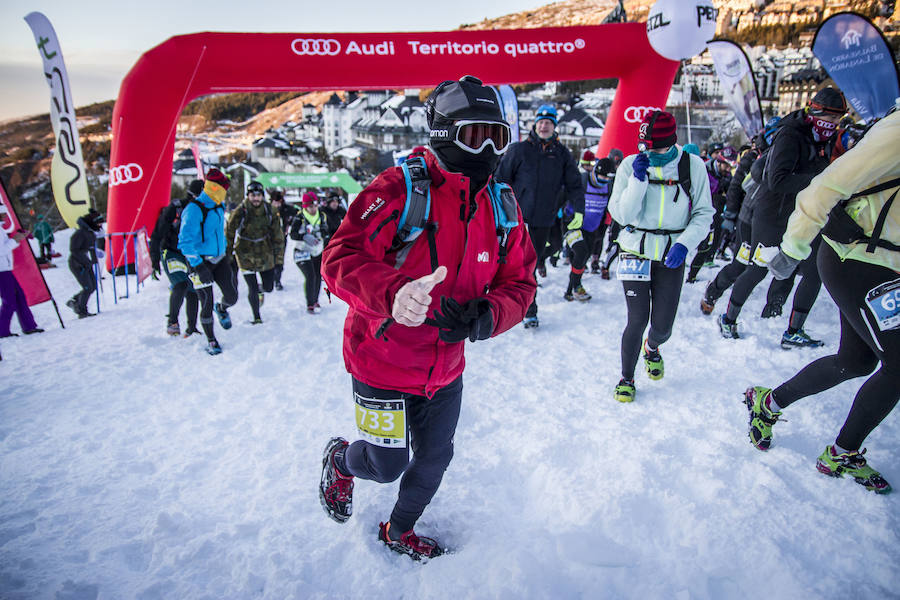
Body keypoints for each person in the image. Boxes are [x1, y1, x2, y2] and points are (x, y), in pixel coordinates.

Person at [318, 75, 536, 560]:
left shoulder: (501, 206)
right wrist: (393, 294)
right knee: (386, 464)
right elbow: (338, 258)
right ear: (443, 133)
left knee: (435, 457)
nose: (487, 151)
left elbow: (521, 284)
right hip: (381, 360)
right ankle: (342, 461)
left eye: (497, 138)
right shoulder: (399, 190)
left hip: (444, 368)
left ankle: (398, 530)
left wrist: (488, 315)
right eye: (474, 136)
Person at [743, 108, 898, 494]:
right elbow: (822, 188)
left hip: (886, 263)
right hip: (857, 259)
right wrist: (792, 249)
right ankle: (842, 452)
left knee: (855, 361)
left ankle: (768, 403)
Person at [717, 88, 847, 346]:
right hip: (772, 214)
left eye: (838, 120)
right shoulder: (790, 134)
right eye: (831, 119)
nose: (834, 125)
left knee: (814, 271)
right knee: (758, 270)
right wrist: (821, 180)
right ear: (816, 112)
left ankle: (794, 330)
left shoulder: (826, 137)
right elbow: (776, 181)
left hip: (805, 214)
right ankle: (728, 318)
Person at [607, 110, 714, 402]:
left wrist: (685, 244)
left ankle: (652, 348)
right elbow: (621, 215)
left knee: (663, 326)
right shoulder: (630, 165)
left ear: (671, 143)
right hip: (635, 251)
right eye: (645, 147)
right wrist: (638, 181)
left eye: (655, 148)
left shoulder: (692, 166)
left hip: (671, 254)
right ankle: (626, 378)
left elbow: (704, 212)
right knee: (637, 319)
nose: (649, 153)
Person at [496, 103, 582, 328]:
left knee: (547, 251)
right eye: (541, 122)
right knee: (527, 266)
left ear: (554, 126)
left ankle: (540, 263)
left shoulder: (561, 154)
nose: (544, 126)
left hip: (546, 218)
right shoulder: (519, 150)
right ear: (535, 125)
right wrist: (500, 209)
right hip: (519, 219)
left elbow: (574, 183)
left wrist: (579, 210)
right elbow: (500, 179)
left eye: (548, 123)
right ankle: (530, 310)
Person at [178, 168, 239, 355]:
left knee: (232, 296)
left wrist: (226, 250)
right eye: (223, 189)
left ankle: (221, 308)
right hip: (200, 262)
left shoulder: (219, 205)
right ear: (214, 188)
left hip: (219, 258)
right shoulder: (194, 209)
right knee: (206, 301)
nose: (225, 192)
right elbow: (184, 242)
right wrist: (197, 265)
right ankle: (211, 340)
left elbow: (218, 231)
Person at [225, 180, 284, 324]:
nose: (256, 198)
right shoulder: (240, 211)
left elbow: (278, 236)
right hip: (245, 254)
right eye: (253, 195)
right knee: (251, 287)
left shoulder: (270, 211)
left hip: (265, 253)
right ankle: (256, 317)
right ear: (248, 196)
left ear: (262, 196)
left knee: (269, 287)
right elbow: (229, 233)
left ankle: (261, 289)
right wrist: (228, 256)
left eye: (258, 195)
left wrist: (279, 260)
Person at [150, 179, 202, 337]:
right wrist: (154, 260)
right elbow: (157, 234)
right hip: (171, 252)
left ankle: (191, 327)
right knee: (181, 284)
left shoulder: (204, 209)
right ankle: (172, 321)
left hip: (190, 254)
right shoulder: (176, 208)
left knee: (193, 289)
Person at [568, 157, 615, 298]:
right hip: (573, 225)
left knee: (584, 258)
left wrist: (604, 227)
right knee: (581, 253)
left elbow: (608, 208)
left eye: (607, 179)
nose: (604, 182)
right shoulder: (583, 180)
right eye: (601, 178)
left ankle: (571, 289)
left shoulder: (609, 186)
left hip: (592, 228)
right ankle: (576, 287)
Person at [686, 154, 732, 283]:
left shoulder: (726, 176)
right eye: (726, 166)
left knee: (706, 246)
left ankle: (692, 276)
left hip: (710, 216)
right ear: (719, 162)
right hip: (692, 212)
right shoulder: (704, 170)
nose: (728, 169)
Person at [0, 227, 43, 337]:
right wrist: (15, 240)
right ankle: (2, 331)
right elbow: (1, 250)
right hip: (2, 271)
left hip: (6, 269)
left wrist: (17, 238)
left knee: (19, 297)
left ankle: (29, 326)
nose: (6, 218)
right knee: (9, 300)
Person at [290, 192, 328, 314]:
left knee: (318, 275)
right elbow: (292, 234)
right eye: (311, 207)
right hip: (302, 251)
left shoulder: (321, 215)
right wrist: (304, 237)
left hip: (317, 250)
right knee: (310, 276)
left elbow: (325, 230)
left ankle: (315, 300)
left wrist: (320, 235)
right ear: (305, 207)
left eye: (315, 206)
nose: (313, 209)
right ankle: (310, 303)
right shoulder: (299, 217)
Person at [66, 208, 104, 318]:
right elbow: (74, 250)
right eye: (99, 223)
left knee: (93, 287)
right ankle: (81, 310)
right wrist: (85, 261)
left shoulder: (90, 233)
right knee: (88, 287)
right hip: (77, 264)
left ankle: (75, 301)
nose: (101, 225)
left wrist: (94, 258)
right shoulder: (80, 233)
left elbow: (90, 247)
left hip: (87, 263)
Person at [269, 190, 294, 291]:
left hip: (282, 240)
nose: (277, 204)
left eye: (279, 202)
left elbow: (297, 213)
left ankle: (277, 280)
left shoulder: (285, 209)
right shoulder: (267, 210)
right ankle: (270, 279)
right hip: (269, 240)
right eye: (275, 202)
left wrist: (289, 223)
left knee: (279, 261)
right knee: (270, 260)